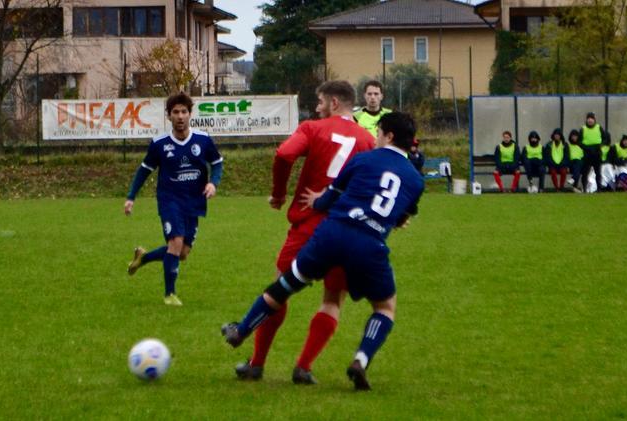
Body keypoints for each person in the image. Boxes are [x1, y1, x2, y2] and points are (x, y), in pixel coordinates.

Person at [222, 112, 425, 391]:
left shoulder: (363, 159)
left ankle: (241, 330)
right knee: (384, 307)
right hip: (370, 244)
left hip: (333, 233)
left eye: (379, 133)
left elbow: (327, 199)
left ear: (388, 136)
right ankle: (360, 360)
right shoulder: (416, 179)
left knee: (285, 284)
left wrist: (318, 201)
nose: (376, 137)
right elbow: (403, 216)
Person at [233, 80, 375, 382]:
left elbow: (284, 155)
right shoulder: (367, 140)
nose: (317, 107)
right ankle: (304, 367)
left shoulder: (313, 128)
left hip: (308, 225)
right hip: (345, 230)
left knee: (278, 291)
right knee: (332, 299)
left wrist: (279, 193)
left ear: (334, 103)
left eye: (321, 101)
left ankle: (257, 363)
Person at [124, 92, 223, 306]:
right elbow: (144, 170)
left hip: (194, 201)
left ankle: (144, 257)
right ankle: (169, 294)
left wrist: (213, 183)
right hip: (169, 200)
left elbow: (217, 163)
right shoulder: (159, 143)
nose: (180, 116)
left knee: (182, 253)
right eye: (175, 112)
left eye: (184, 111)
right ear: (168, 116)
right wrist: (131, 197)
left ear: (190, 114)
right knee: (175, 243)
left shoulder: (203, 140)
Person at [580, 112, 606, 193]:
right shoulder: (583, 129)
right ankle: (584, 188)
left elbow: (605, 139)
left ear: (594, 120)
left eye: (592, 118)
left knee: (598, 172)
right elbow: (579, 141)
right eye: (589, 118)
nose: (590, 120)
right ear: (586, 120)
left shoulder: (599, 128)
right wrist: (585, 148)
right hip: (587, 152)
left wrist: (600, 146)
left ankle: (599, 188)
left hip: (597, 152)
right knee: (585, 172)